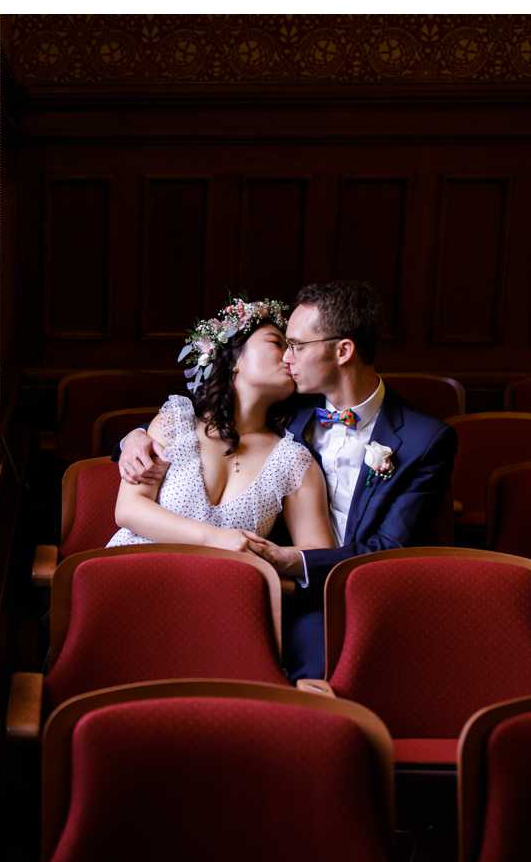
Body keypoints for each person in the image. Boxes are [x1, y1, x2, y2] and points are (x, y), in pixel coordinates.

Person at [118, 281, 457, 682]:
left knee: (302, 676)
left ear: (342, 350)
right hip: (195, 580)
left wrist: (287, 560)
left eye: (295, 345)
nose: (288, 358)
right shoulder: (294, 407)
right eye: (282, 345)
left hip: (333, 588)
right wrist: (131, 438)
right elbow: (216, 416)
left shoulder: (423, 440)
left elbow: (388, 550)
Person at [107, 298, 336, 565]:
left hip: (220, 592)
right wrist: (216, 538)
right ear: (234, 359)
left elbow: (321, 552)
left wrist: (269, 556)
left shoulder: (293, 460)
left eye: (293, 348)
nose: (289, 357)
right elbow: (129, 509)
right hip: (131, 569)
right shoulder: (176, 422)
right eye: (277, 343)